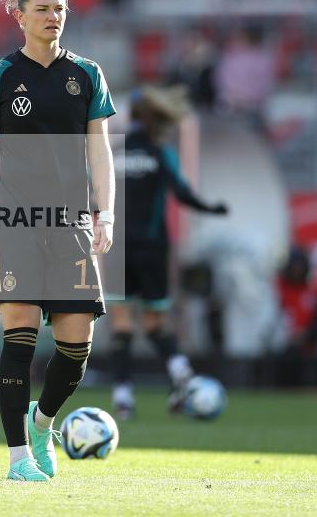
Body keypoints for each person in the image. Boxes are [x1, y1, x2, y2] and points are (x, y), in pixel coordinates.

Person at [0, 0, 116, 482]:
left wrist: (106, 212)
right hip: (15, 221)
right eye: (42, 8)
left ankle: (41, 422)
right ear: (19, 16)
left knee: (76, 347)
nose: (53, 16)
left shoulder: (87, 74)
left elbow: (100, 151)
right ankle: (18, 459)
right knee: (19, 337)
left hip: (72, 223)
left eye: (60, 8)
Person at [108, 85, 228, 421]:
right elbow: (182, 193)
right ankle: (182, 378)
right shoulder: (161, 153)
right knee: (156, 323)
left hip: (117, 250)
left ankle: (123, 399)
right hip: (153, 248)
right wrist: (212, 208)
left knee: (121, 324)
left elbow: (92, 195)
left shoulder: (112, 153)